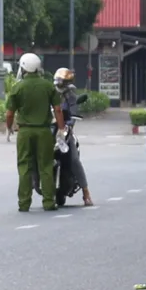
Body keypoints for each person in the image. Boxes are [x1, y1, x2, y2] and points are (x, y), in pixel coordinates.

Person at [5, 53, 64, 212]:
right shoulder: (48, 86)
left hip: (24, 132)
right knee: (45, 166)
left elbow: (9, 113)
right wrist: (61, 129)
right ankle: (48, 202)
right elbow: (58, 110)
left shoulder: (18, 87)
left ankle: (24, 203)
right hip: (44, 131)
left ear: (23, 68)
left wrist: (9, 128)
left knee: (24, 167)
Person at [52, 68, 94, 207]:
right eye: (58, 81)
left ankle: (86, 193)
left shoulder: (71, 95)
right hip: (51, 129)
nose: (59, 84)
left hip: (65, 130)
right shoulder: (50, 92)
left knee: (74, 160)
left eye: (62, 82)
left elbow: (73, 112)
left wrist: (68, 124)